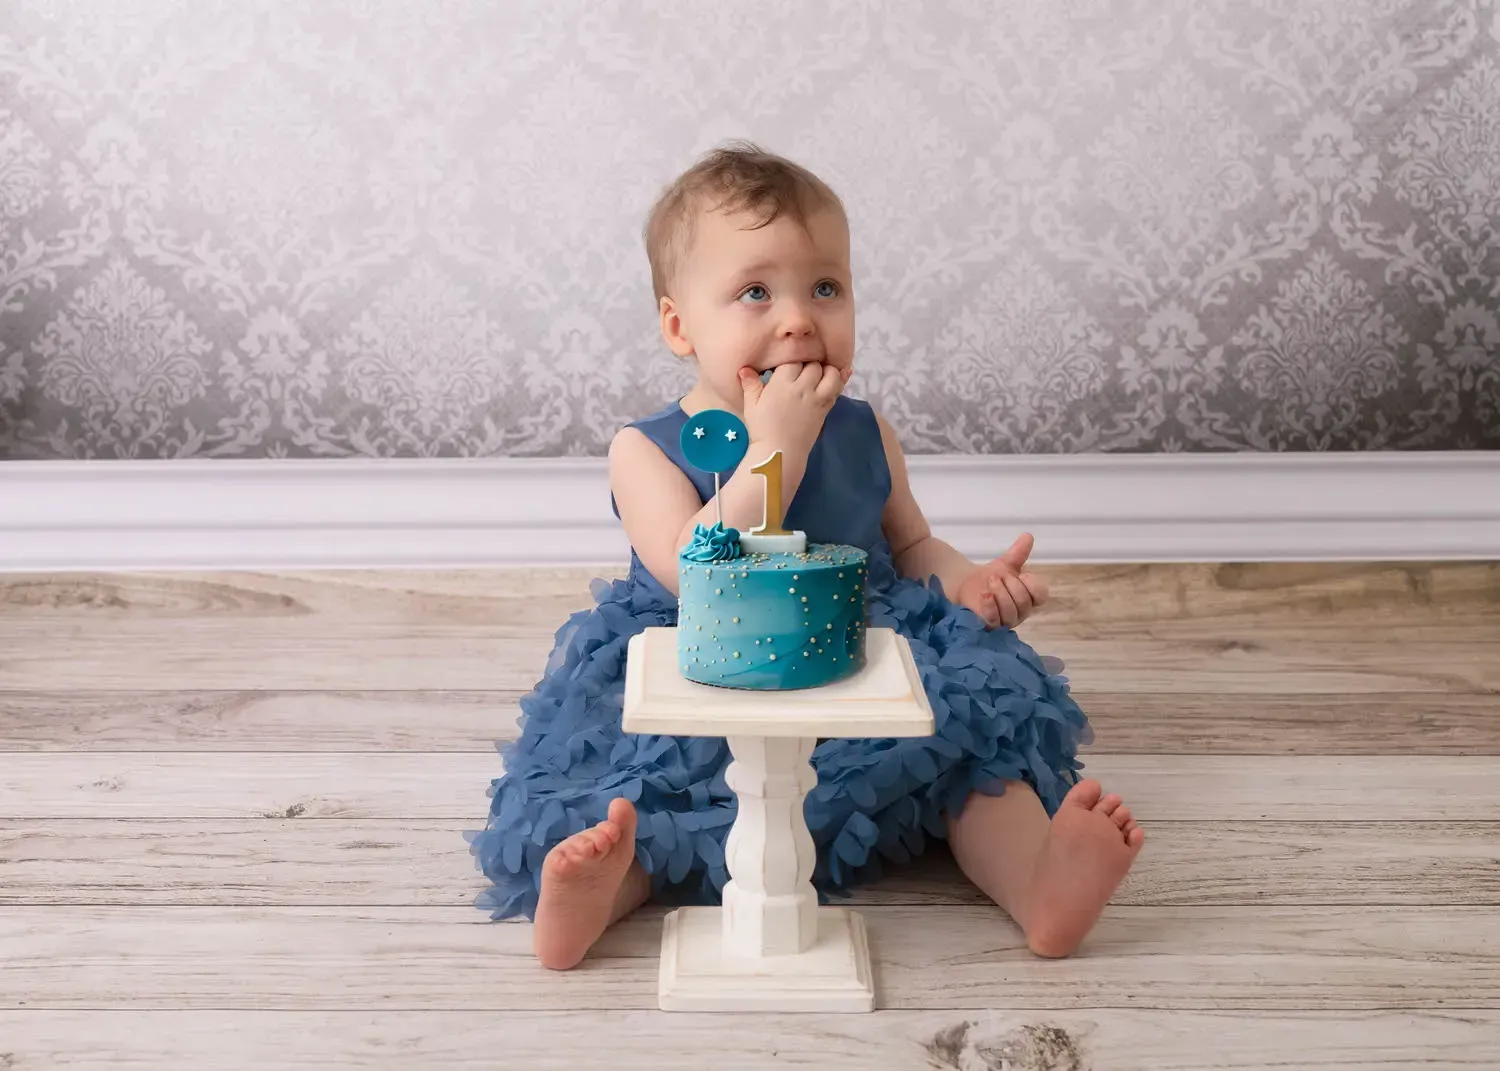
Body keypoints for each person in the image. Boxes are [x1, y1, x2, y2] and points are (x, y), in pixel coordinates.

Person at [467, 142, 1144, 971]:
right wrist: (773, 450)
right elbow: (693, 570)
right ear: (680, 324)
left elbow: (911, 542)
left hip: (857, 640)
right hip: (706, 658)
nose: (797, 318)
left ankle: (1038, 880)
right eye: (756, 291)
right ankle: (601, 890)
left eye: (825, 287)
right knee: (644, 795)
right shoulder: (644, 449)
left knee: (974, 745)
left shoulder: (863, 429)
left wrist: (971, 581)